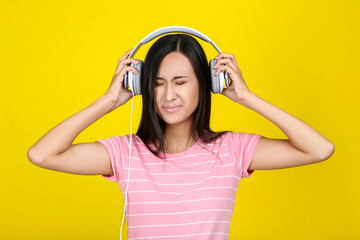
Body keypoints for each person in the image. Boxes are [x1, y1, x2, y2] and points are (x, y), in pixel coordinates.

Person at [27, 34, 335, 239]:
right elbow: (41, 155)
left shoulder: (233, 149)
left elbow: (320, 149)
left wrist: (247, 98)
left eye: (181, 82)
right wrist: (108, 101)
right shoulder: (126, 154)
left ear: (207, 84)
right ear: (142, 86)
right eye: (158, 83)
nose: (168, 95)